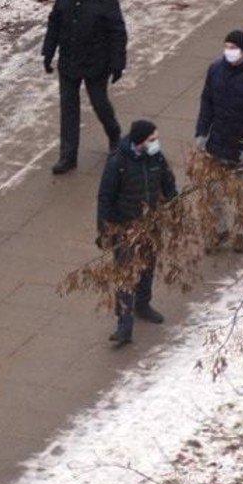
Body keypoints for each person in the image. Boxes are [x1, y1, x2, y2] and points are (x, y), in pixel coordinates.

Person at [42, 0, 128, 175]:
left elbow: (117, 31)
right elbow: (54, 24)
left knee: (99, 102)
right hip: (69, 61)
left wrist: (118, 63)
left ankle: (114, 133)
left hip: (96, 62)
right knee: (68, 108)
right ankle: (68, 155)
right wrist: (48, 53)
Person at [97, 119, 178, 347]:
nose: (156, 142)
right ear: (141, 141)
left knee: (147, 265)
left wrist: (174, 203)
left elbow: (167, 182)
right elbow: (105, 197)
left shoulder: (156, 158)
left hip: (150, 223)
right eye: (152, 139)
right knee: (124, 273)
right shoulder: (118, 163)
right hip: (125, 227)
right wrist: (103, 229)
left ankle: (143, 304)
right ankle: (124, 326)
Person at [194, 29, 243, 252]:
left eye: (233, 48)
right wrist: (201, 131)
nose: (229, 51)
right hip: (218, 142)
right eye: (226, 47)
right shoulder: (215, 70)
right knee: (211, 189)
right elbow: (206, 102)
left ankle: (242, 231)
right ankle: (219, 229)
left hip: (241, 145)